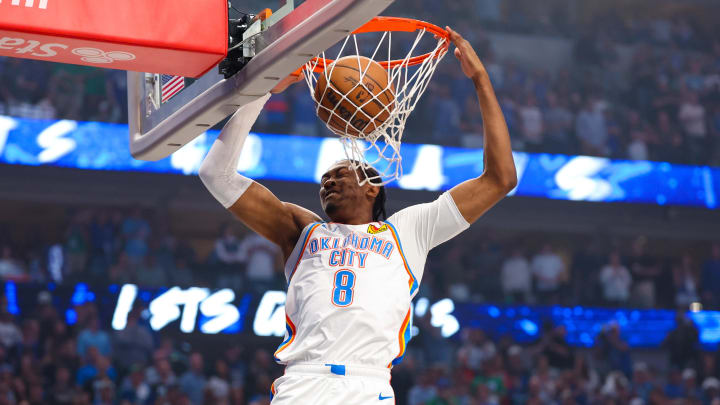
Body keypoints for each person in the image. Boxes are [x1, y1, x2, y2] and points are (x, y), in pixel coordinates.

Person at [198, 27, 516, 404]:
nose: (328, 181)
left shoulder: (407, 232)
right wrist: (262, 88)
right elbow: (215, 174)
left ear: (372, 186)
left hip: (368, 386)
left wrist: (480, 80)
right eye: (324, 178)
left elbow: (500, 178)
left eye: (339, 173)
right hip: (303, 382)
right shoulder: (302, 231)